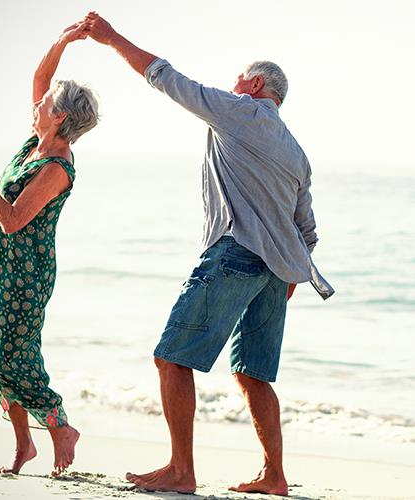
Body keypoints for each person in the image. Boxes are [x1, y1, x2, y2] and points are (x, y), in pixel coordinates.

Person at [83, 12, 334, 496]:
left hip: (235, 254)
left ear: (255, 83)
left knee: (171, 359)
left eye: (239, 78)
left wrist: (111, 38)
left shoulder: (239, 110)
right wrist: (285, 280)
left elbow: (167, 79)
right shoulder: (297, 151)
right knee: (252, 373)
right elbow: (307, 230)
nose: (232, 84)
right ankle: (274, 476)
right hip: (276, 273)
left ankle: (181, 470)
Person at [0, 21, 98, 476]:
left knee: (11, 356)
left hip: (27, 270)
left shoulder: (58, 165)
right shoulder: (36, 143)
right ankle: (24, 446)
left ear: (60, 117)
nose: (37, 103)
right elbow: (41, 81)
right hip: (1, 264)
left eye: (46, 104)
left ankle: (60, 426)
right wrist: (63, 41)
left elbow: (14, 219)